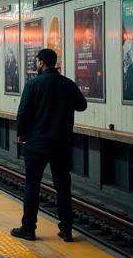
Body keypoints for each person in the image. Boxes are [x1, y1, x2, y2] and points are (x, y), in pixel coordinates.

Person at [12, 48, 87, 242]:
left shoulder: (33, 85)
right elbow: (82, 105)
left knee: (32, 185)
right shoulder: (68, 84)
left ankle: (28, 228)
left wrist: (21, 133)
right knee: (63, 186)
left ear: (41, 63)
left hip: (36, 144)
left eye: (37, 62)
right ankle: (67, 230)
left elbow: (23, 113)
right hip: (61, 144)